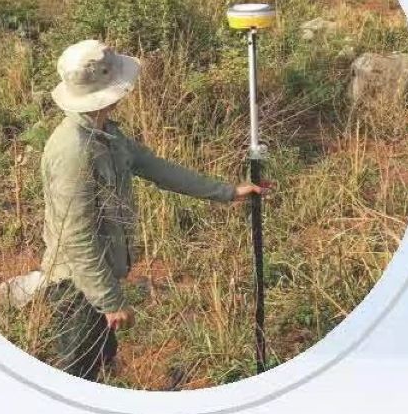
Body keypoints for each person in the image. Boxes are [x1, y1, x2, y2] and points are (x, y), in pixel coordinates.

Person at [40, 39, 270, 381]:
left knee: (102, 361)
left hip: (100, 277)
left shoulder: (106, 132)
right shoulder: (74, 151)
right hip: (78, 286)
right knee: (78, 374)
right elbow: (76, 238)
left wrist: (227, 192)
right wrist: (109, 300)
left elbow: (156, 167)